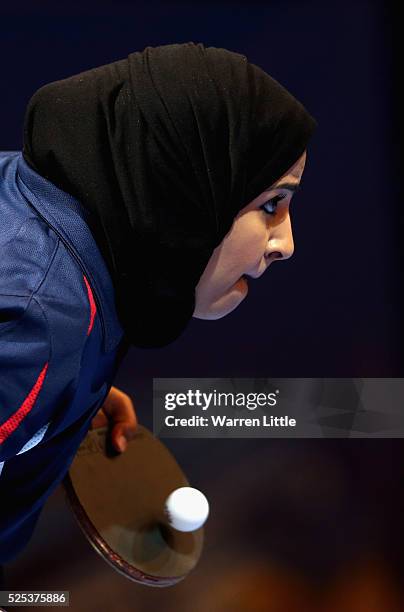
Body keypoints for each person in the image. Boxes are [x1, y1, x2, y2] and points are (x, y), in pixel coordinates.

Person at [0, 41, 316, 576]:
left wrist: (67, 396)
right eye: (270, 204)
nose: (285, 242)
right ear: (183, 185)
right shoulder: (34, 333)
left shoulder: (27, 189)